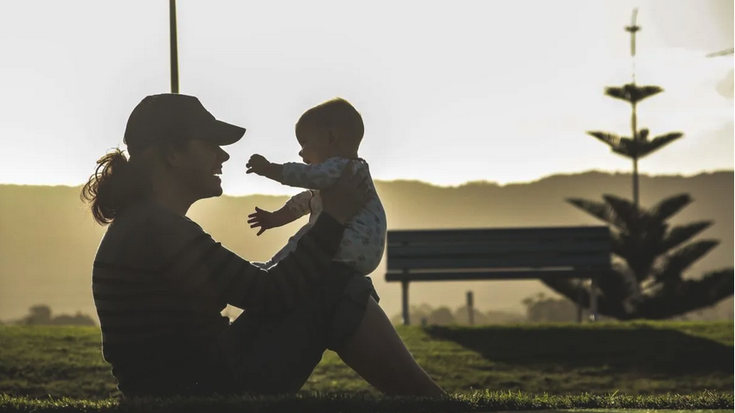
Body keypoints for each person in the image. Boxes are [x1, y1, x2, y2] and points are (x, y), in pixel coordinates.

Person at [81, 93, 444, 398]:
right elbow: (269, 293)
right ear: (173, 153)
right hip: (202, 390)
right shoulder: (155, 229)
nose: (222, 157)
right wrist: (333, 217)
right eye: (211, 145)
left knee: (333, 281)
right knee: (336, 284)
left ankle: (431, 402)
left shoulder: (147, 226)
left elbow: (254, 286)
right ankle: (434, 403)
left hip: (191, 383)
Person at [245, 97, 387, 279]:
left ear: (331, 138)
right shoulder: (349, 174)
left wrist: (269, 169)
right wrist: (274, 218)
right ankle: (273, 267)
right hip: (362, 253)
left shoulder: (342, 167)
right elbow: (306, 201)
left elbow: (306, 175)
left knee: (306, 239)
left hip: (348, 243)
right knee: (311, 236)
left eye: (304, 143)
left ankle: (274, 268)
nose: (300, 152)